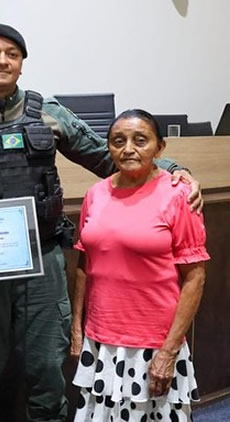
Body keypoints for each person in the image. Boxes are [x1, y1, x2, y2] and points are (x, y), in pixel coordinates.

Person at [0, 23, 203, 422]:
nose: (2, 60)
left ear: (21, 65)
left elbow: (108, 158)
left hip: (44, 262)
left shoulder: (47, 113)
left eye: (12, 55)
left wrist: (175, 170)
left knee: (48, 371)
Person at [69, 109, 209, 421]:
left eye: (140, 140)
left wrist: (169, 352)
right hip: (101, 339)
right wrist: (77, 328)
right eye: (118, 141)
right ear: (109, 147)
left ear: (160, 148)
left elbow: (195, 278)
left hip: (154, 343)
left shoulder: (178, 195)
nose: (128, 148)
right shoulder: (95, 194)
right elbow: (84, 263)